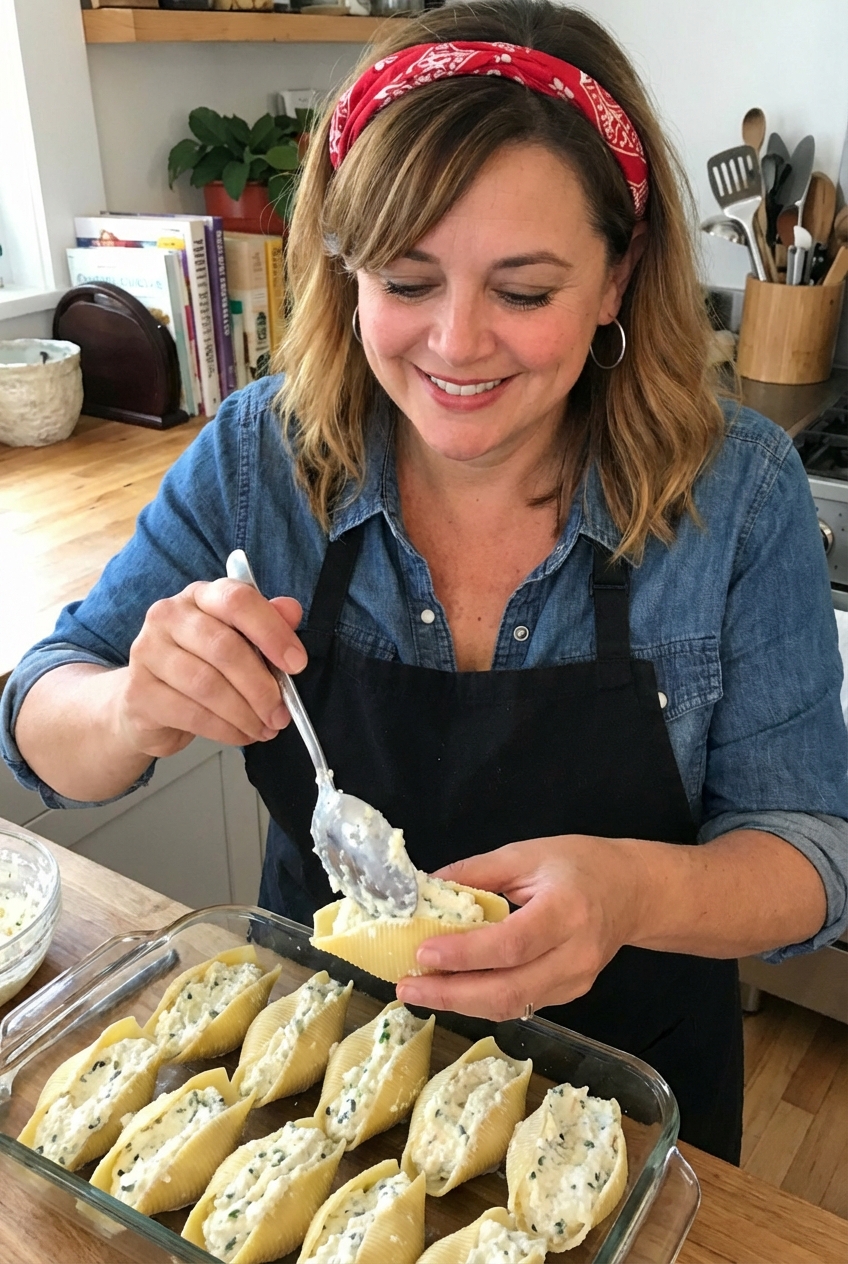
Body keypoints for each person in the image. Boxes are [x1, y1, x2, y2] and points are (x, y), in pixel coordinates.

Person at [2, 0, 845, 1164]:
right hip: (314, 1085)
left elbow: (811, 854)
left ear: (616, 278)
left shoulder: (736, 494)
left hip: (624, 1124)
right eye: (405, 279)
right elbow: (39, 719)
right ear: (345, 269)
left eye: (522, 290)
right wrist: (130, 703)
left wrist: (627, 895)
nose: (454, 345)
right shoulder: (262, 459)